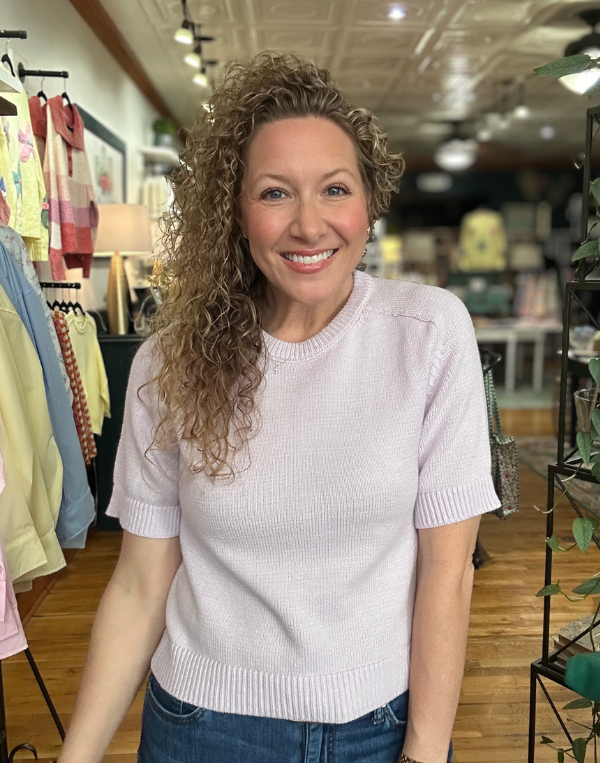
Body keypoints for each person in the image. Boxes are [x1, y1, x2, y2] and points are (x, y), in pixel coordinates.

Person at [57, 51, 501, 763]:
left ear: (369, 202)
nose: (308, 224)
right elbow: (141, 586)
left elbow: (448, 576)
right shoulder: (170, 364)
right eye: (273, 194)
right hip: (203, 727)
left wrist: (425, 751)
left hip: (381, 728)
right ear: (235, 211)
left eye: (334, 189)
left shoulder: (428, 334)